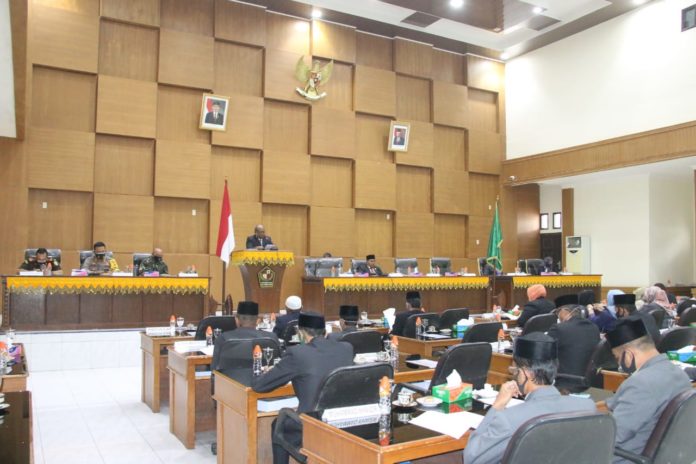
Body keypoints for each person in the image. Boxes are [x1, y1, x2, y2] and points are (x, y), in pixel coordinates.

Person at [464, 332, 596, 464]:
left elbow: (471, 458)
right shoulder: (588, 407)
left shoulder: (509, 419)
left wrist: (498, 405)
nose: (514, 374)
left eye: (515, 370)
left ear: (525, 373)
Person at [252, 312, 353, 464]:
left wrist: (260, 370)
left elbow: (260, 386)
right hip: (343, 424)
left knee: (280, 424)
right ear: (325, 331)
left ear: (300, 333)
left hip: (312, 427)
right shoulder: (346, 348)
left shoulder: (297, 353)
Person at [604, 318, 691, 462]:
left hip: (626, 457)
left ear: (628, 354)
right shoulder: (679, 374)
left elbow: (613, 435)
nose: (619, 363)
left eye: (618, 358)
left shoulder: (640, 383)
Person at [547, 295, 600, 392]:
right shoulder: (594, 327)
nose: (557, 316)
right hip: (590, 384)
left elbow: (544, 353)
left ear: (565, 311)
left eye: (558, 312)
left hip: (565, 384)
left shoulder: (559, 329)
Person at [212, 301, 279, 373]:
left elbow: (214, 369)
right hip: (263, 379)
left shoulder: (223, 338)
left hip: (230, 379)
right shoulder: (271, 338)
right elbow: (278, 366)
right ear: (258, 320)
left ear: (236, 319)